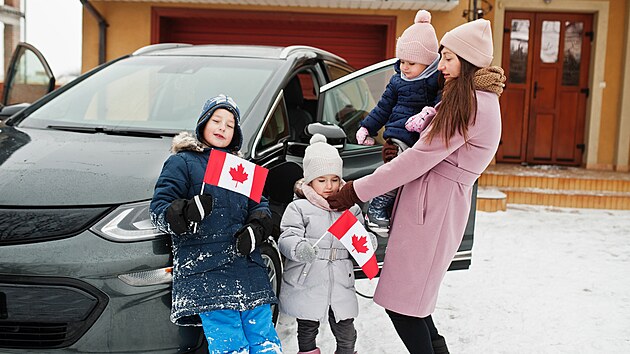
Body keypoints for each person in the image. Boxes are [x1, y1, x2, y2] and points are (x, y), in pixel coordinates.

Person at [328, 18, 505, 354]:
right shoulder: (465, 96)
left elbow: (419, 160)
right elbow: (425, 149)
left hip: (434, 208)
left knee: (403, 304)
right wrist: (399, 145)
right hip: (431, 203)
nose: (443, 65)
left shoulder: (472, 104)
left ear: (468, 61)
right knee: (412, 303)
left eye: (449, 57)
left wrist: (355, 190)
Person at [149, 94, 282, 354]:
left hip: (247, 267)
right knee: (230, 343)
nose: (222, 127)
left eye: (230, 124)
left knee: (264, 336)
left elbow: (260, 206)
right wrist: (185, 212)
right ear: (202, 124)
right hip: (206, 268)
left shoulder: (242, 167)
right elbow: (159, 209)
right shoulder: (182, 162)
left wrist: (257, 227)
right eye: (216, 120)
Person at [278, 134, 376, 354]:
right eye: (321, 180)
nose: (329, 186)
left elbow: (360, 236)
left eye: (334, 179)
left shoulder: (350, 209)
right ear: (310, 180)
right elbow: (287, 237)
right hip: (308, 277)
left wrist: (367, 242)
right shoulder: (299, 208)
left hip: (340, 279)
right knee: (307, 329)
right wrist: (299, 247)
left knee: (347, 333)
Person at [354, 9, 441, 232]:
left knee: (410, 177)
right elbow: (383, 107)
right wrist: (367, 127)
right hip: (399, 134)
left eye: (411, 63)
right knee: (397, 168)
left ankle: (393, 211)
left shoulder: (436, 81)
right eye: (402, 61)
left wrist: (427, 114)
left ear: (429, 63)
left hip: (422, 139)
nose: (404, 67)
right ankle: (377, 206)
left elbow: (442, 105)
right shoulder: (397, 81)